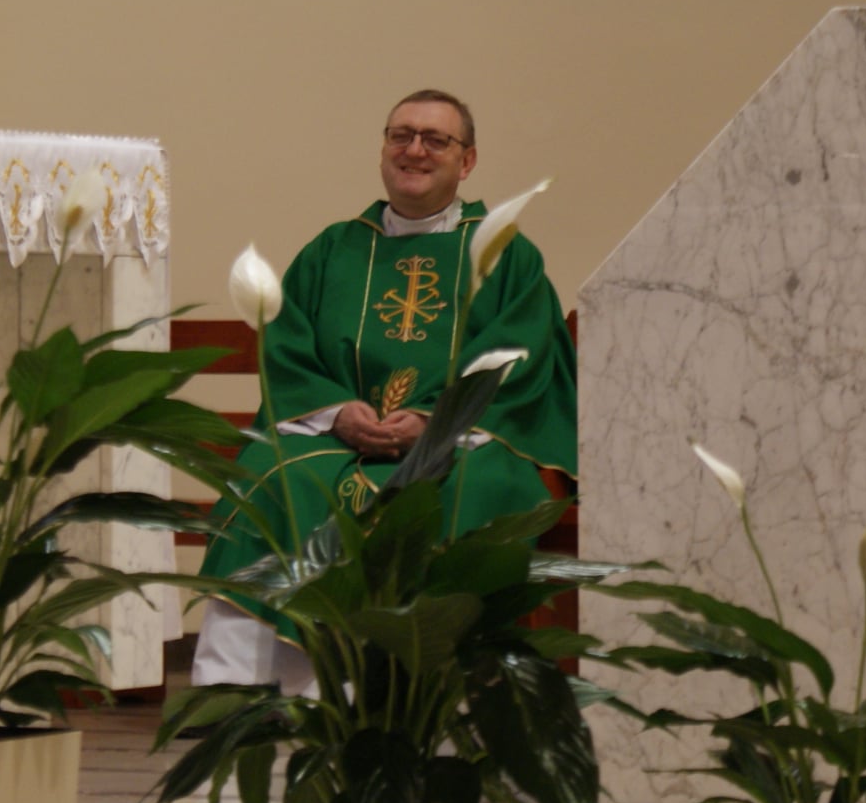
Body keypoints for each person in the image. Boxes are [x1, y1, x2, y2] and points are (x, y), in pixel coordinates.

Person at [190, 89, 577, 692]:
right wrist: (337, 412)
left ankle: (433, 695)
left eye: (435, 139)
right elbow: (286, 351)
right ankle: (241, 691)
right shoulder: (332, 249)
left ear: (467, 161)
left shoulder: (506, 253)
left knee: (472, 488)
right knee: (272, 479)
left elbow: (521, 358)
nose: (414, 150)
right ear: (383, 150)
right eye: (401, 135)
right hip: (338, 438)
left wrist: (434, 422)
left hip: (461, 442)